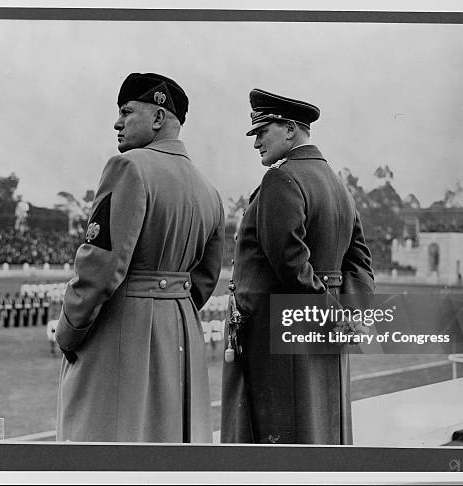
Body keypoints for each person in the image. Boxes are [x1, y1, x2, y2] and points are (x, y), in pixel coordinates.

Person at [56, 72, 224, 443]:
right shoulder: (209, 190)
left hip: (123, 335)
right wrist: (170, 306)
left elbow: (98, 267)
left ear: (159, 118)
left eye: (126, 111)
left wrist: (68, 333)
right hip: (181, 331)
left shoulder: (129, 167)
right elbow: (207, 278)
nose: (117, 123)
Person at [221, 89, 375, 444]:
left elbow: (292, 265)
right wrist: (348, 316)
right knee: (321, 433)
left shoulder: (282, 179)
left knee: (283, 443)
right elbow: (361, 264)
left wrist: (332, 319)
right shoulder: (339, 185)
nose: (256, 141)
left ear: (290, 130)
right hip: (323, 335)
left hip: (282, 341)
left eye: (263, 131)